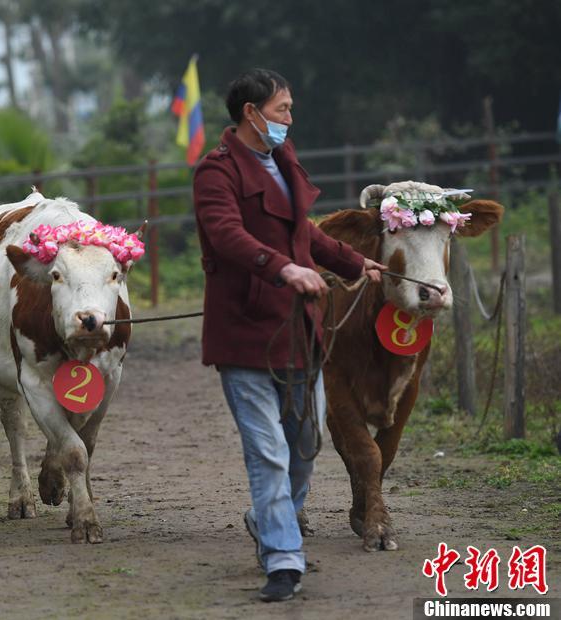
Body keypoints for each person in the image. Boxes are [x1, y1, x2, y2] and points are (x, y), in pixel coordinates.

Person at [191, 69, 386, 602]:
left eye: (290, 110)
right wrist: (281, 269)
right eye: (282, 110)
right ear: (251, 114)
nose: (289, 119)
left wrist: (355, 262)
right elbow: (227, 234)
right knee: (268, 453)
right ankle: (283, 559)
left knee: (305, 446)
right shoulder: (215, 172)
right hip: (246, 334)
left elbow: (307, 237)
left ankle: (264, 517)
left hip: (302, 334)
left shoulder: (284, 160)